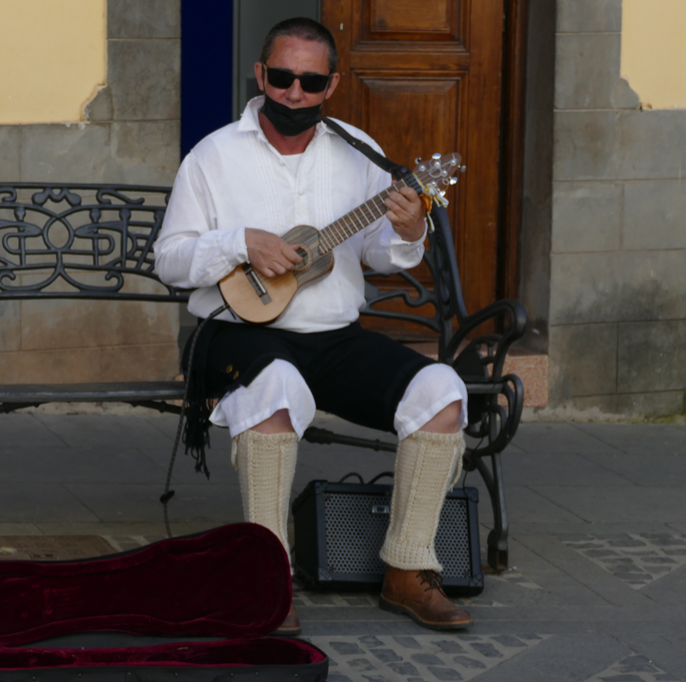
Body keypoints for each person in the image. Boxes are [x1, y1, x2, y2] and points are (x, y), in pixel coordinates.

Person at [155, 17, 470, 634]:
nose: (293, 93)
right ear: (260, 75)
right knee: (277, 392)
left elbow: (382, 252)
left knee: (442, 393)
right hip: (237, 331)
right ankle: (266, 582)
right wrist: (239, 242)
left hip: (334, 337)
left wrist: (409, 230)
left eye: (309, 81)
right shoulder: (214, 156)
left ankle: (408, 569)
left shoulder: (358, 151)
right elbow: (170, 260)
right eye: (281, 77)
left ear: (330, 85)